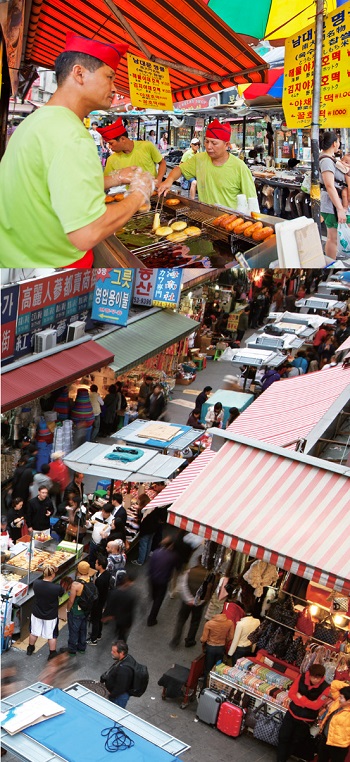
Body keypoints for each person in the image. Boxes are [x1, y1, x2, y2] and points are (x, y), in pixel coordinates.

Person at [0, 34, 154, 268]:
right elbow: (87, 231)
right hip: (51, 272)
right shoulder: (71, 135)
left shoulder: (36, 121)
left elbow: (52, 187)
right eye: (109, 77)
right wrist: (139, 195)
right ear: (79, 73)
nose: (114, 88)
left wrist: (116, 178)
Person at [158, 119, 257, 208]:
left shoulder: (240, 167)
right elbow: (180, 169)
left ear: (226, 145)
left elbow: (252, 202)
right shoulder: (199, 159)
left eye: (214, 143)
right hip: (205, 219)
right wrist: (169, 180)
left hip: (229, 222)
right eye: (206, 141)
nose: (208, 146)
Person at [277, 664, 330, 762]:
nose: (316, 680)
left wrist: (301, 698)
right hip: (292, 714)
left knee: (295, 741)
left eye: (318, 678)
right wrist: (308, 703)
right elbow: (291, 694)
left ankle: (284, 758)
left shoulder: (326, 688)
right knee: (283, 736)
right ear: (309, 674)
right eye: (314, 677)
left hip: (306, 720)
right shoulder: (301, 677)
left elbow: (317, 706)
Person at [100, 117, 166, 188]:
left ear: (122, 139)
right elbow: (105, 182)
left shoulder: (147, 146)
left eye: (111, 143)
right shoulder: (111, 160)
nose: (109, 147)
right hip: (129, 196)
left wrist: (158, 180)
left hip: (152, 193)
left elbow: (162, 163)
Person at [320, 131, 350, 260]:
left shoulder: (331, 159)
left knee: (334, 237)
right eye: (338, 141)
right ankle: (330, 264)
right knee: (332, 238)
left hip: (335, 204)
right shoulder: (326, 160)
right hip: (333, 206)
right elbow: (329, 185)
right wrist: (340, 209)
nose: (339, 144)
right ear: (334, 143)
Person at [170, 561, 212, 648]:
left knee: (181, 620)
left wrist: (189, 599)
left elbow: (183, 586)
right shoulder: (208, 576)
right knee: (195, 622)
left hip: (186, 602)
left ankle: (176, 640)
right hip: (199, 604)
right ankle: (190, 640)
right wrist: (198, 601)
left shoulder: (189, 572)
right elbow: (208, 592)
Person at [27, 564, 64, 660]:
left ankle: (30, 649)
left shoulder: (36, 583)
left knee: (34, 632)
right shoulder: (56, 588)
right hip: (50, 615)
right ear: (53, 575)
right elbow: (61, 593)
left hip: (37, 613)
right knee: (51, 635)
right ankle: (52, 654)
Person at [63, 560, 95, 655]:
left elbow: (71, 600)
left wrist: (68, 610)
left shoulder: (76, 585)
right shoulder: (91, 579)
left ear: (79, 570)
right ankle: (82, 647)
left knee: (74, 630)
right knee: (83, 629)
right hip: (86, 610)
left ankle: (72, 649)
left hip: (76, 611)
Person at [147, 537, 180, 627]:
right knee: (159, 600)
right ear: (171, 545)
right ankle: (151, 619)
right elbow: (177, 567)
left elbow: (151, 565)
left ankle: (153, 598)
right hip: (163, 580)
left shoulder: (156, 552)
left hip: (152, 578)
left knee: (155, 594)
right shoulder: (173, 556)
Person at [200, 609, 235, 685]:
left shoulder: (209, 624)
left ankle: (205, 686)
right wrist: (224, 640)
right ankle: (214, 684)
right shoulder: (229, 623)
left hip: (210, 648)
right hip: (221, 648)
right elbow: (231, 637)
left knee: (208, 668)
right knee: (218, 667)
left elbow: (204, 639)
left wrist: (202, 640)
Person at [318, 682, 350, 762]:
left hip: (338, 746)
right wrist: (348, 689)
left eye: (341, 697)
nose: (339, 698)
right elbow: (334, 684)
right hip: (325, 739)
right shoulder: (338, 702)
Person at [102, 574, 137, 642]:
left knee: (119, 629)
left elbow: (110, 605)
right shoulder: (130, 595)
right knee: (122, 634)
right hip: (124, 619)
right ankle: (121, 643)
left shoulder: (114, 592)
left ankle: (118, 637)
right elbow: (130, 610)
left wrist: (107, 616)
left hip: (117, 617)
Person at [100, 641, 135, 708]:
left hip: (118, 698)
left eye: (114, 652)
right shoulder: (126, 658)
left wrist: (111, 695)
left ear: (121, 653)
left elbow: (121, 687)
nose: (111, 652)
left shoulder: (124, 670)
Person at [87, 555, 111, 646]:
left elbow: (96, 592)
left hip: (97, 602)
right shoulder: (106, 574)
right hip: (102, 601)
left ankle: (93, 639)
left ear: (100, 565)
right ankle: (98, 634)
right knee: (99, 618)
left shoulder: (100, 580)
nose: (95, 564)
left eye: (96, 563)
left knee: (95, 620)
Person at [132, 498, 159, 566]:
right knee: (149, 543)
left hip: (146, 530)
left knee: (143, 545)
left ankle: (140, 561)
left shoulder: (144, 511)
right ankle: (145, 558)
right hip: (153, 529)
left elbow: (141, 520)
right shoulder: (153, 508)